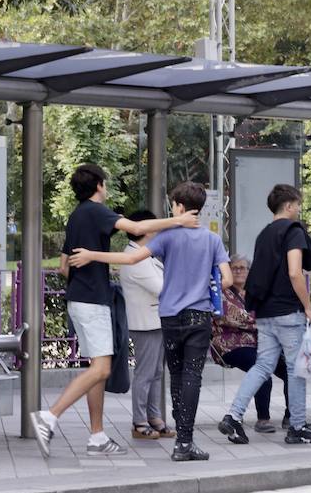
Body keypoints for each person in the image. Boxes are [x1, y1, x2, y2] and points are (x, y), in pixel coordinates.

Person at [29, 164, 196, 460]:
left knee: (98, 369)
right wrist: (178, 220)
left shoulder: (76, 216)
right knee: (102, 368)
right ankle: (49, 416)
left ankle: (97, 436)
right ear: (99, 185)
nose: (106, 188)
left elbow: (63, 266)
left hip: (82, 299)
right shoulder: (94, 211)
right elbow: (137, 228)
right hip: (92, 301)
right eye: (105, 184)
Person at [72, 181, 231, 462]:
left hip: (169, 317)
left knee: (176, 375)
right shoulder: (212, 240)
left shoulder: (167, 238)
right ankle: (185, 442)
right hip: (199, 316)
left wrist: (91, 256)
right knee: (193, 376)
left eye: (173, 205)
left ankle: (181, 440)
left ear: (180, 207)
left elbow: (130, 259)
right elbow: (227, 280)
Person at [218, 183, 311, 446]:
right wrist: (308, 306)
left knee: (263, 366)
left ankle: (233, 415)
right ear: (289, 205)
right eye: (298, 204)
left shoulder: (264, 234)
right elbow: (294, 272)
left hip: (264, 314)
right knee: (295, 370)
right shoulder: (293, 231)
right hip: (288, 312)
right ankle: (297, 427)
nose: (299, 209)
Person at [212, 254, 291, 433]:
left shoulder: (254, 292)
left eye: (243, 268)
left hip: (259, 344)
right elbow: (235, 317)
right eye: (235, 268)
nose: (239, 271)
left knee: (290, 370)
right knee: (262, 371)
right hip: (231, 345)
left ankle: (291, 417)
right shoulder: (223, 291)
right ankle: (263, 420)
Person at [119, 209, 173, 440]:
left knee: (157, 372)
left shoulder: (143, 255)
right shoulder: (136, 259)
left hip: (154, 321)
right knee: (146, 373)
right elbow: (162, 289)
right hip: (145, 324)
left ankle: (154, 416)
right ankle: (139, 421)